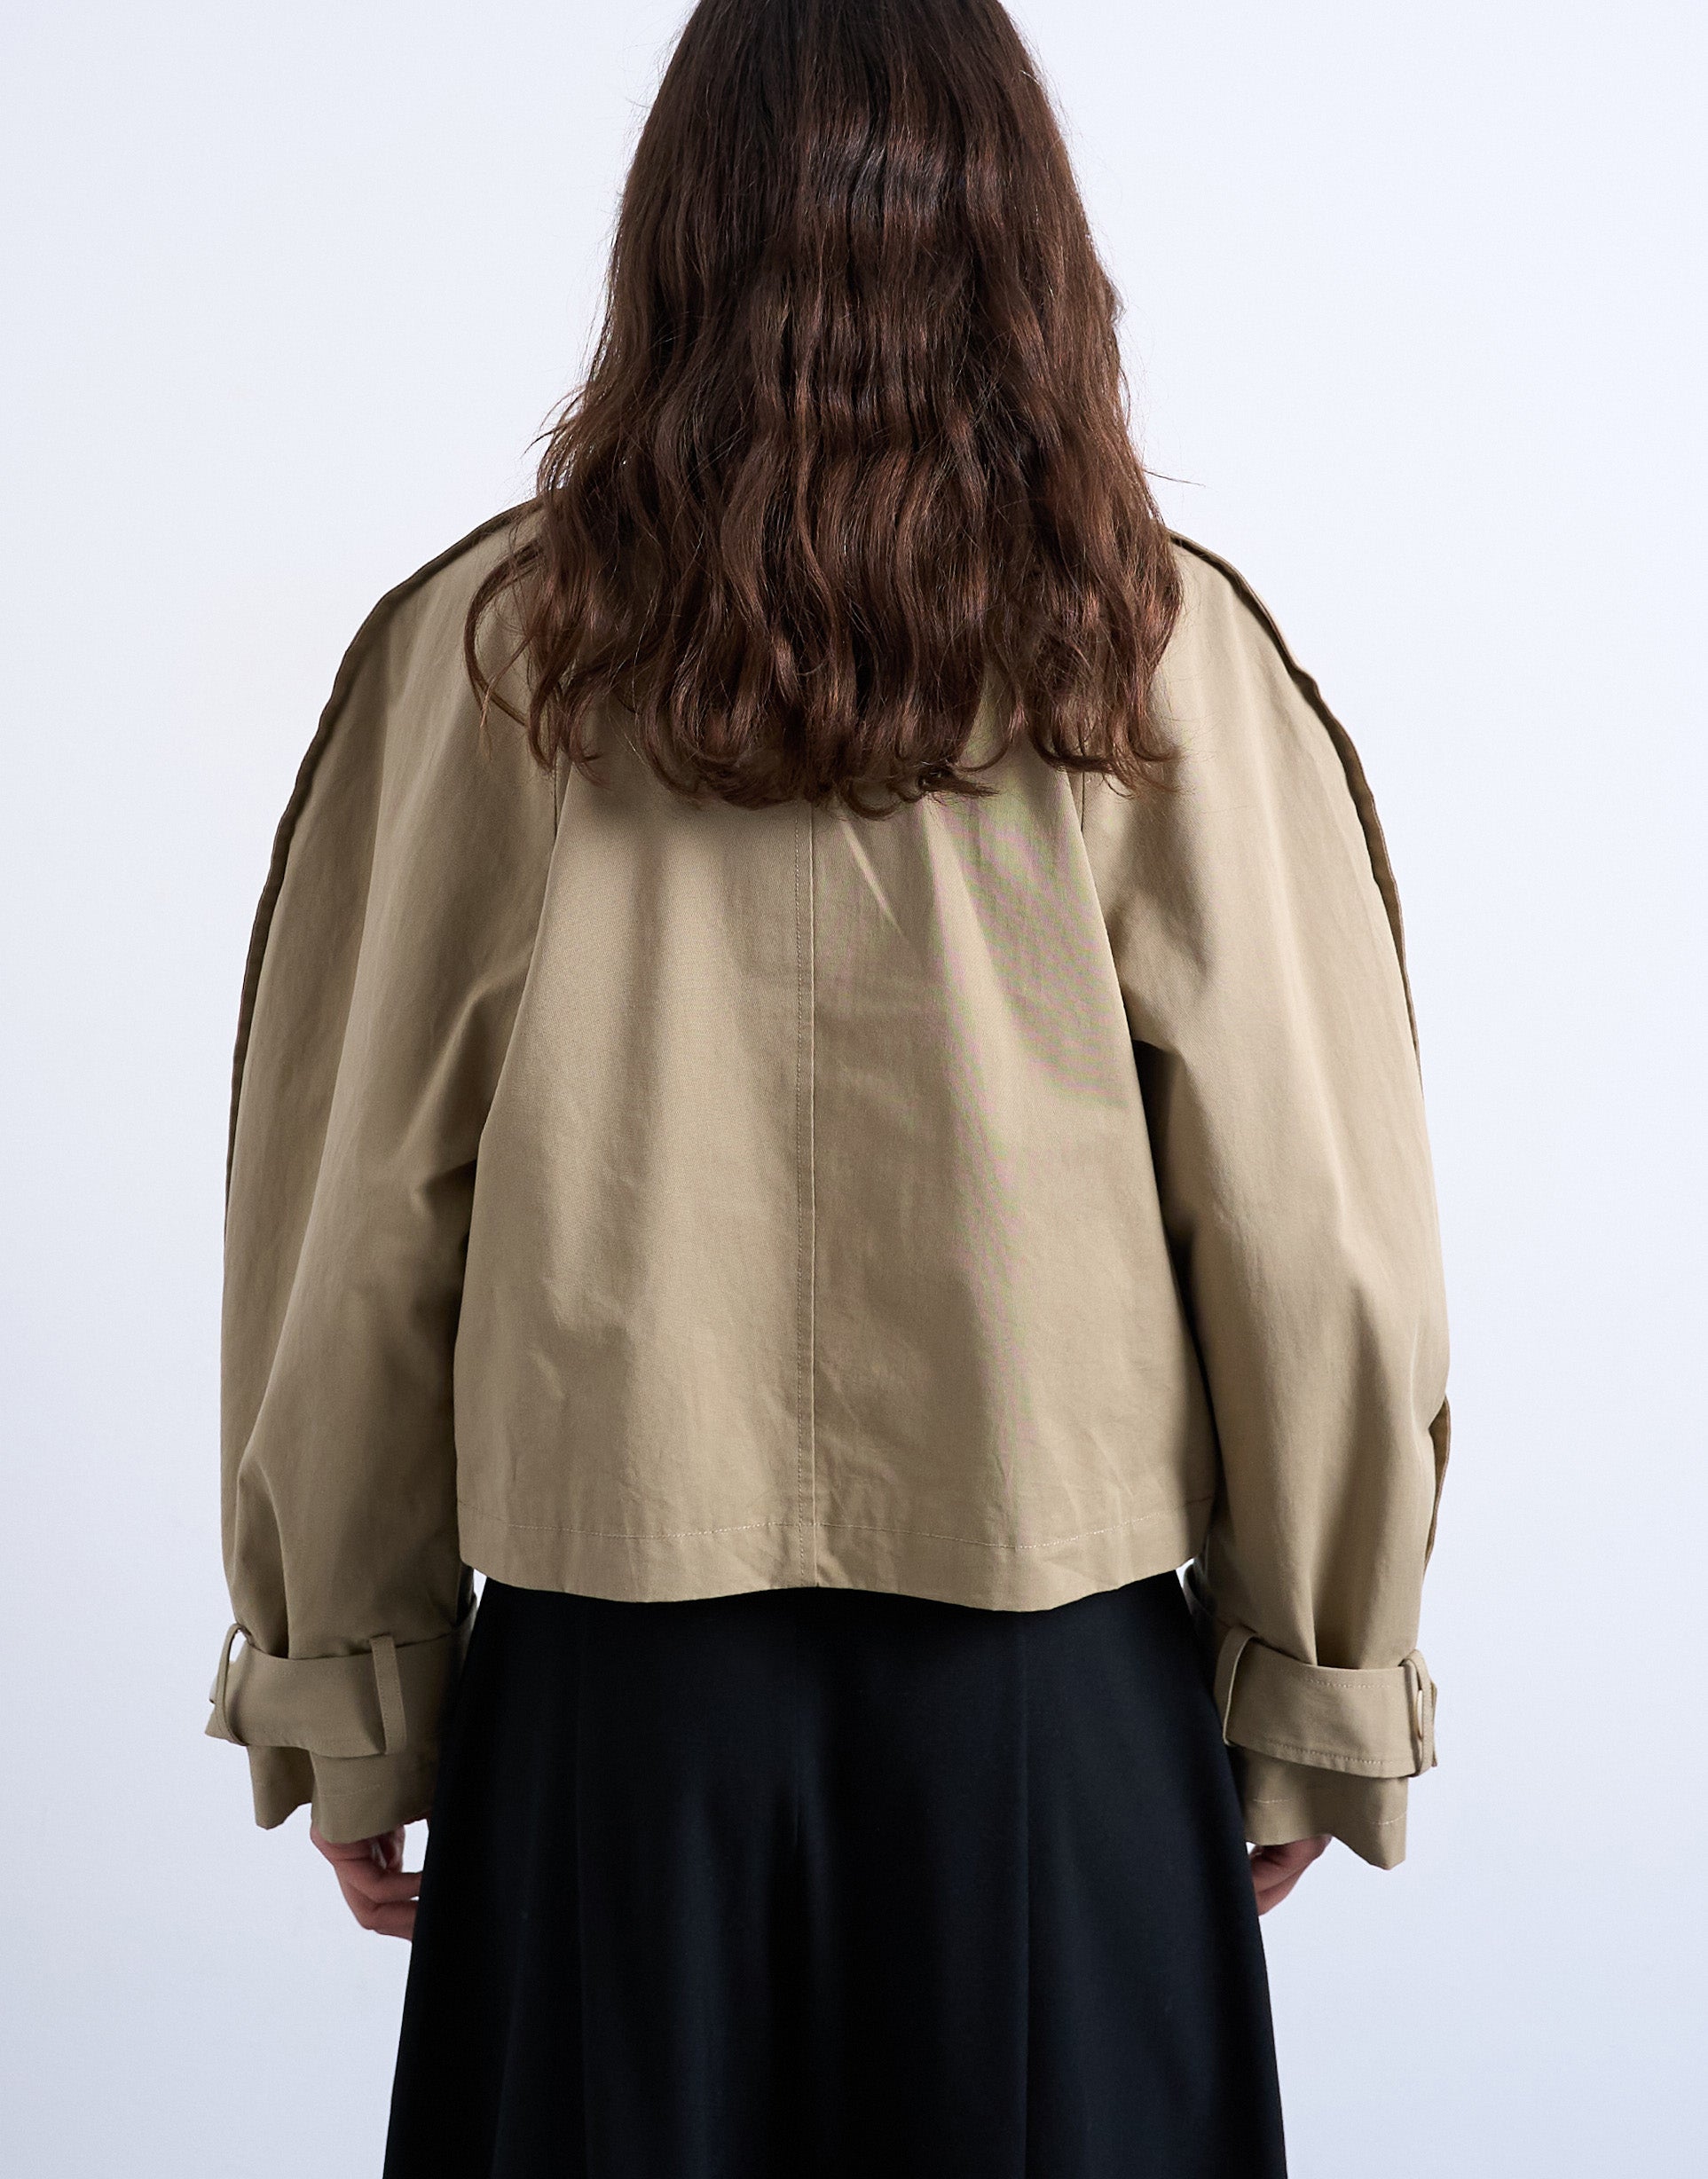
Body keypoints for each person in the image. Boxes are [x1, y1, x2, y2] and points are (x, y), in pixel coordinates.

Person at [206, 1, 1450, 2172]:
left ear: (674, 234)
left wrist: (357, 1681)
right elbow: (1312, 1229)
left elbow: (351, 1220)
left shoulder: (489, 663)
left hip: (610, 1716)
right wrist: (1314, 1683)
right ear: (1022, 239)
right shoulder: (1160, 659)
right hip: (1054, 1709)